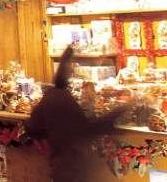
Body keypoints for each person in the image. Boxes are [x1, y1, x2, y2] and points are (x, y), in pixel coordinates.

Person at [26, 46, 129, 182]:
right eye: (72, 67)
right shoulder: (65, 98)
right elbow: (89, 128)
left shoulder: (51, 95)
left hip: (60, 163)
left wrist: (46, 139)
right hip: (75, 164)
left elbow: (32, 126)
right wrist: (123, 109)